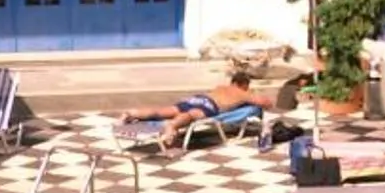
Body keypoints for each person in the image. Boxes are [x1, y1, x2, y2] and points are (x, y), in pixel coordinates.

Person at [123, 70, 301, 142]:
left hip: (198, 98)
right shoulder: (242, 92)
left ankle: (130, 113)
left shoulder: (220, 87)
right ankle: (172, 126)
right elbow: (266, 103)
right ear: (244, 84)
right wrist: (251, 97)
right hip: (209, 105)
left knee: (164, 110)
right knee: (192, 115)